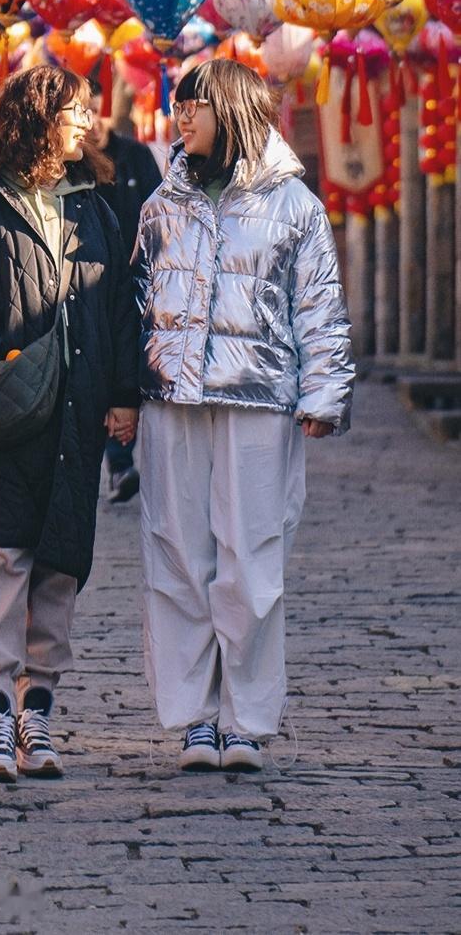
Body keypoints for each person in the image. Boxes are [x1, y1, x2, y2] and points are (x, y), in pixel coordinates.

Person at [0, 64, 140, 784]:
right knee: (0, 559)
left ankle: (39, 713)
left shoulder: (93, 208)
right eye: (75, 110)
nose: (87, 121)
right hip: (2, 415)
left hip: (77, 417)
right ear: (38, 119)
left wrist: (124, 393)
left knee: (58, 565)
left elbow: (120, 306)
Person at [134, 57, 354, 774]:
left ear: (228, 110)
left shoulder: (294, 206)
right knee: (176, 555)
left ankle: (246, 721)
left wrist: (324, 394)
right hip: (173, 400)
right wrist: (121, 393)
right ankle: (196, 717)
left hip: (260, 400)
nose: (179, 117)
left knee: (252, 560)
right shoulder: (161, 204)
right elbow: (135, 305)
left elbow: (318, 304)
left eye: (191, 105)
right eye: (176, 105)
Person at [77, 97, 162, 503]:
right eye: (82, 112)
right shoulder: (73, 160)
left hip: (135, 277)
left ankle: (123, 459)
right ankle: (116, 461)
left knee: (131, 363)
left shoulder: (135, 156)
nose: (91, 121)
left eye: (96, 109)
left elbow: (159, 212)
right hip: (87, 281)